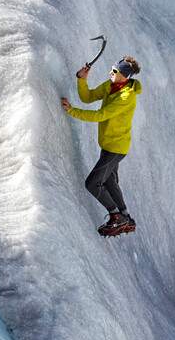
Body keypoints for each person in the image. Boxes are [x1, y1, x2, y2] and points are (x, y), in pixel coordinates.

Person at [60, 55, 143, 236]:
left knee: (92, 183)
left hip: (116, 148)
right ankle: (125, 217)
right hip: (109, 145)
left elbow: (101, 115)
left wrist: (71, 111)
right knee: (109, 180)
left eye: (114, 71)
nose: (110, 72)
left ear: (124, 76)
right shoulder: (111, 85)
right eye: (112, 69)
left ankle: (116, 217)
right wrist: (82, 80)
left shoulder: (126, 97)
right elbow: (88, 97)